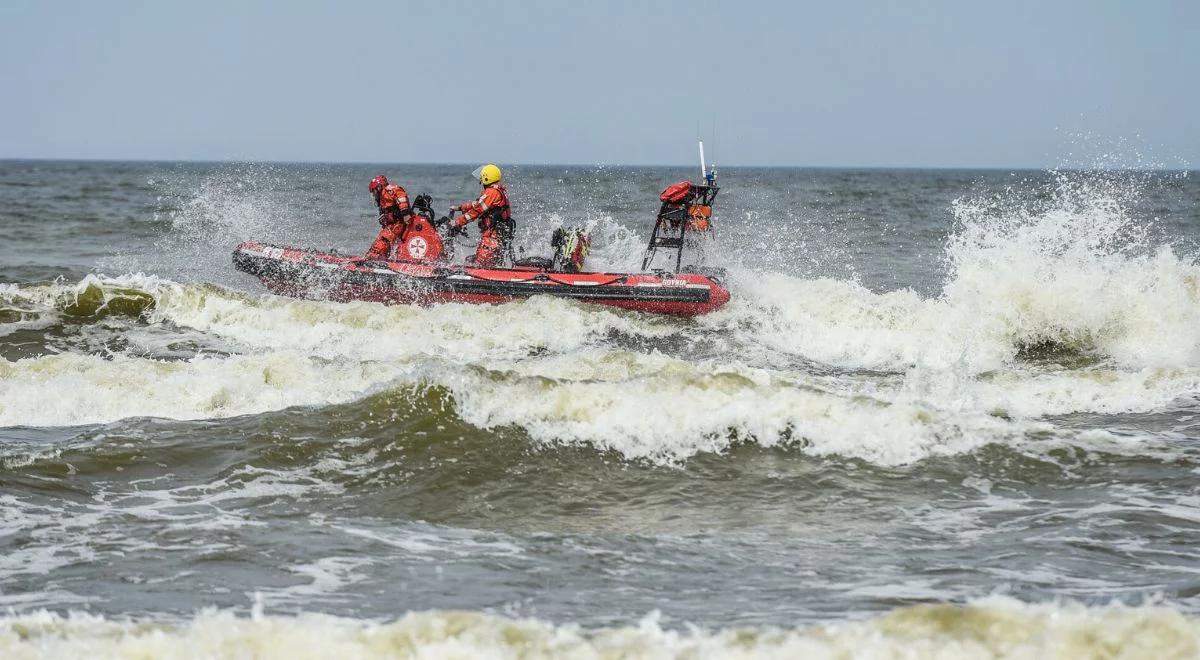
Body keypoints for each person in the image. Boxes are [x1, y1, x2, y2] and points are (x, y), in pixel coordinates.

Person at [448, 164, 513, 267]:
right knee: (486, 262)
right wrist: (460, 207)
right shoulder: (498, 191)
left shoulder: (491, 193)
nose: (481, 180)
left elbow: (476, 211)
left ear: (487, 178)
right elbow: (478, 204)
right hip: (496, 235)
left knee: (481, 263)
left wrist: (456, 223)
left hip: (492, 236)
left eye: (482, 177)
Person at [364, 174, 413, 259]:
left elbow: (402, 199)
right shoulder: (382, 198)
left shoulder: (393, 190)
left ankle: (374, 256)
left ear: (379, 187)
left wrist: (405, 214)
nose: (374, 194)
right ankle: (381, 257)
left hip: (399, 222)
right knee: (383, 239)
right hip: (393, 224)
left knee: (384, 239)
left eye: (374, 191)